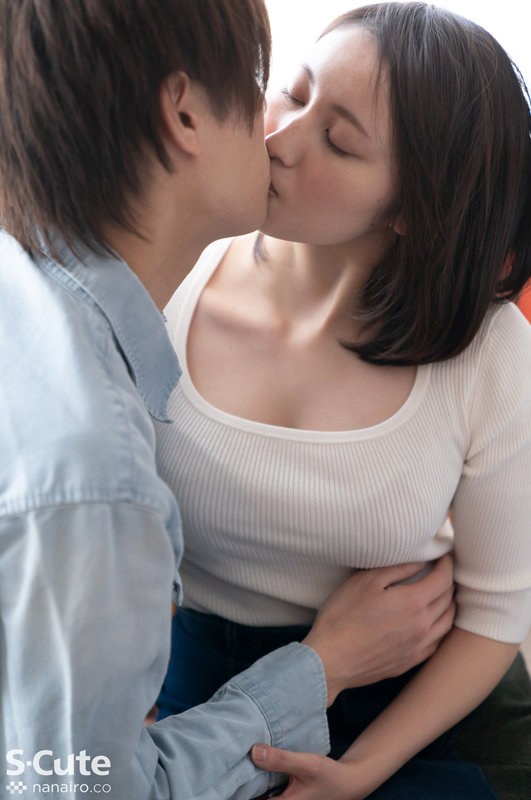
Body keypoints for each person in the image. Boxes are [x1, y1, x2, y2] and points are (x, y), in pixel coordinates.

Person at [0, 1, 457, 798]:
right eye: (270, 88)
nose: (277, 135)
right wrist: (323, 666)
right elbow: (85, 788)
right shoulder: (99, 478)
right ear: (184, 114)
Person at [155, 3, 531, 798]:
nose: (278, 140)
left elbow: (495, 618)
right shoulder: (172, 267)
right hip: (199, 686)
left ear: (411, 208)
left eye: (339, 141)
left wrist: (357, 773)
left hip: (404, 711)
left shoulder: (487, 349)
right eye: (291, 94)